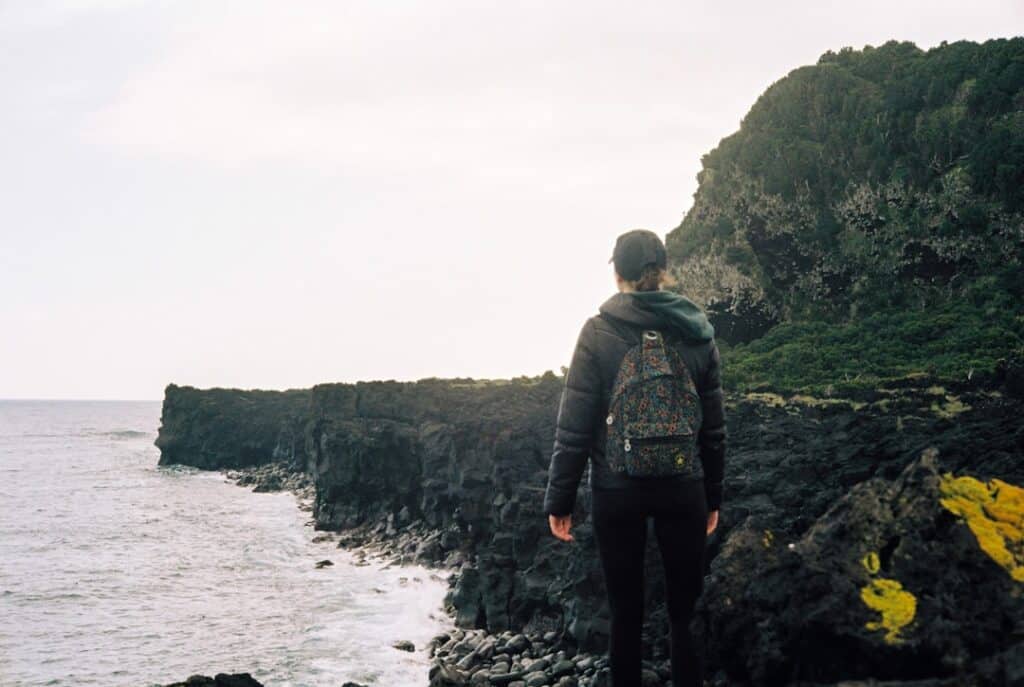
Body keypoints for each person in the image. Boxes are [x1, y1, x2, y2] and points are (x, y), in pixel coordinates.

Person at [542, 229, 726, 687]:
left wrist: (559, 501)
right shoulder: (697, 331)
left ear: (617, 273)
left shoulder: (597, 331)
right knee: (686, 612)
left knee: (625, 614)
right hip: (684, 488)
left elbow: (575, 426)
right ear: (663, 271)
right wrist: (712, 496)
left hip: (616, 489)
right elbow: (714, 429)